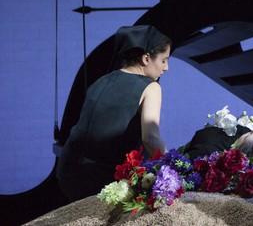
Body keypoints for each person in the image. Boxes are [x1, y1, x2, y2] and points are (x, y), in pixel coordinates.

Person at [56, 25, 171, 202]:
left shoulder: (101, 81)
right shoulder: (151, 87)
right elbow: (150, 138)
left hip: (68, 173)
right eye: (163, 60)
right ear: (146, 58)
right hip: (102, 180)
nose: (166, 68)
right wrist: (173, 169)